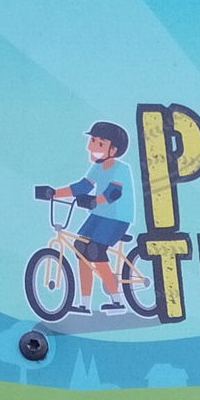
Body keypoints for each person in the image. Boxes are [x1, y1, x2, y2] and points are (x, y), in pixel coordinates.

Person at [46, 120, 133, 311]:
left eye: (100, 143)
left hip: (118, 218)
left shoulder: (121, 169)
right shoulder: (97, 167)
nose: (92, 147)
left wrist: (95, 200)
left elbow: (113, 193)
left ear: (114, 149)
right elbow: (82, 186)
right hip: (99, 215)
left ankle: (117, 300)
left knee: (95, 251)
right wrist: (54, 193)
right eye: (93, 141)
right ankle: (84, 303)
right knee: (80, 248)